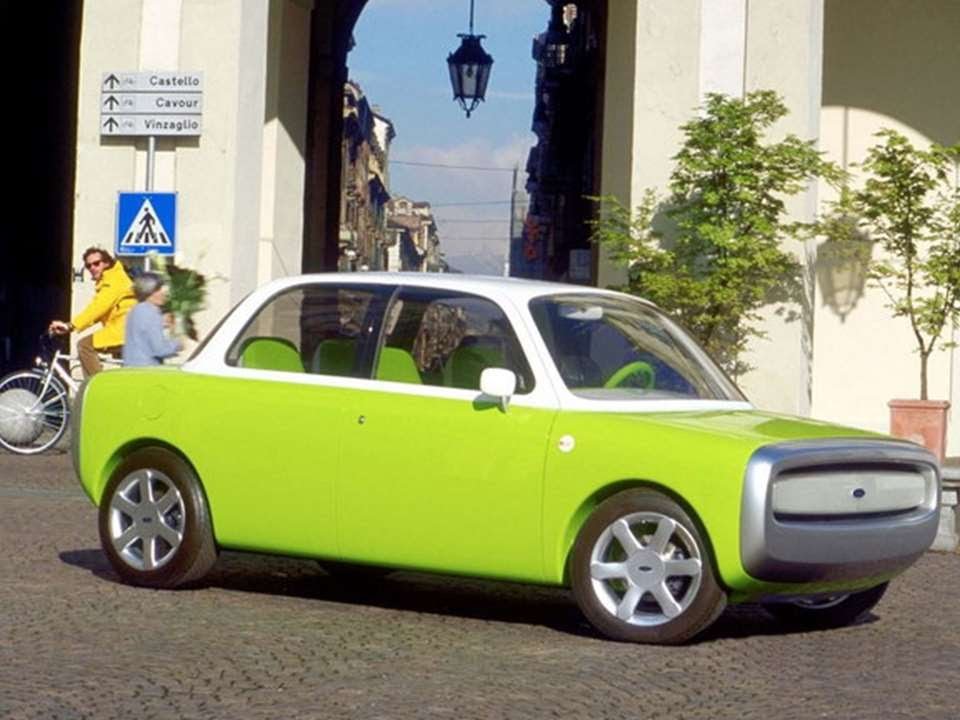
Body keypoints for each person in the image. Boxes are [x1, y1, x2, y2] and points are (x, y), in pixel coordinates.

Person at [49, 247, 136, 377]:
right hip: (125, 331)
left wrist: (71, 325)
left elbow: (98, 308)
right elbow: (98, 312)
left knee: (84, 346)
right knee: (126, 376)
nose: (92, 268)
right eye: (88, 266)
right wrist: (71, 326)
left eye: (96, 263)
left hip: (125, 331)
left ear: (107, 263)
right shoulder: (107, 280)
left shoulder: (115, 280)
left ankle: (95, 389)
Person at [123, 272, 183, 367]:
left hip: (131, 367)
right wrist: (179, 343)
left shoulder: (135, 310)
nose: (164, 293)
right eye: (158, 289)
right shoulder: (151, 313)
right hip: (147, 371)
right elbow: (160, 350)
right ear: (148, 291)